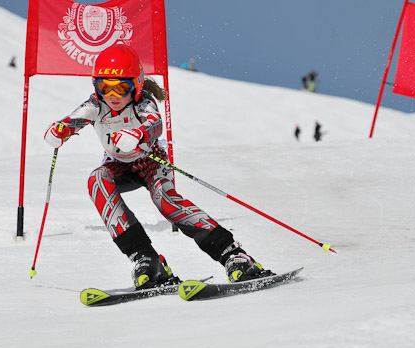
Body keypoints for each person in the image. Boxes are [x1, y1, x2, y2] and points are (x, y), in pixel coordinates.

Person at [43, 44, 271, 290]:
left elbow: (155, 123)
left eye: (121, 87)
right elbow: (70, 121)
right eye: (104, 86)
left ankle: (234, 255)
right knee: (97, 180)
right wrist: (59, 131)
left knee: (165, 200)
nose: (112, 94)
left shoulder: (143, 102)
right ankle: (146, 259)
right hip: (118, 165)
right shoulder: (96, 105)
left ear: (137, 85)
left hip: (151, 162)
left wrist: (139, 134)